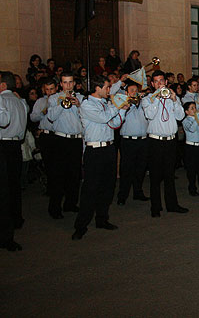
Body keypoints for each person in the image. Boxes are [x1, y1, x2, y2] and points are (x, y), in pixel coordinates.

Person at [72, 75, 127, 240]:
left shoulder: (106, 103)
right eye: (107, 87)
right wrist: (118, 106)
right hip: (94, 151)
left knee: (108, 187)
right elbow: (104, 118)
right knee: (90, 190)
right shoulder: (87, 105)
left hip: (108, 148)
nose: (109, 90)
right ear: (97, 88)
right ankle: (81, 226)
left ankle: (102, 219)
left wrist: (123, 109)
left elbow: (116, 122)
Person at [141, 70, 188, 217]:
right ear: (153, 84)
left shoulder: (172, 97)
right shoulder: (147, 99)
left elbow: (181, 116)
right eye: (157, 81)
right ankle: (155, 207)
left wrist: (175, 100)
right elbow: (149, 115)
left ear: (166, 82)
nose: (160, 84)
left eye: (162, 81)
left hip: (170, 141)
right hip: (155, 141)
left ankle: (172, 205)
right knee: (155, 176)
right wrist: (156, 98)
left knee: (169, 175)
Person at [47, 72, 84, 219]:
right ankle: (54, 208)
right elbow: (50, 117)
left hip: (76, 140)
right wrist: (63, 103)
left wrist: (79, 105)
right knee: (59, 175)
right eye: (65, 83)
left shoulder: (80, 98)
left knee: (74, 174)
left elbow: (86, 117)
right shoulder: (54, 98)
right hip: (61, 140)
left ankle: (70, 204)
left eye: (70, 82)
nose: (68, 85)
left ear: (74, 83)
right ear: (60, 84)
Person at [0, 71, 28, 233]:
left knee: (5, 187)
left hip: (3, 146)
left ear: (3, 85)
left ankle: (7, 221)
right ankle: (16, 217)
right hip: (16, 146)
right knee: (14, 185)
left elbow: (4, 122)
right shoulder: (20, 102)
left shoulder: (2, 100)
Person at [117, 81, 150, 205]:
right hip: (128, 140)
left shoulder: (144, 103)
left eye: (136, 90)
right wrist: (130, 103)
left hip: (143, 140)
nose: (134, 93)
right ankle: (122, 195)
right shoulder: (123, 104)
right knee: (126, 169)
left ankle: (138, 192)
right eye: (131, 90)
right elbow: (121, 117)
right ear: (126, 93)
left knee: (140, 168)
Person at [29, 78, 57, 206]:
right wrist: (43, 112)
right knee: (49, 163)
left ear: (56, 88)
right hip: (46, 135)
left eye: (52, 89)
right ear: (43, 90)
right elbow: (33, 117)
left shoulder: (60, 100)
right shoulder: (40, 101)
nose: (50, 92)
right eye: (47, 90)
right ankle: (51, 189)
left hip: (58, 135)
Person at [182, 101, 199, 196]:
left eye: (195, 107)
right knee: (191, 169)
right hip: (191, 147)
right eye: (192, 108)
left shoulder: (198, 119)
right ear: (186, 112)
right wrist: (197, 119)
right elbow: (192, 129)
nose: (195, 110)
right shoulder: (186, 121)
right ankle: (192, 188)